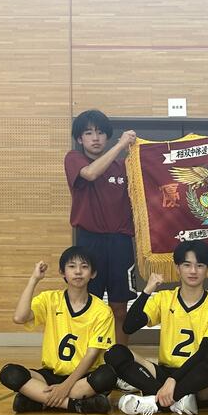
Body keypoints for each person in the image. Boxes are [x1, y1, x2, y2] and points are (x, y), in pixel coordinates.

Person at [104, 240, 208, 415]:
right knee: (115, 352)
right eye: (187, 265)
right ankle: (176, 401)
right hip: (165, 374)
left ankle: (155, 401)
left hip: (197, 378)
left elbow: (205, 351)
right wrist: (147, 291)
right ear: (177, 268)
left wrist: (174, 380)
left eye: (200, 265)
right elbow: (128, 326)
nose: (193, 271)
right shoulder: (164, 298)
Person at [0, 246, 116, 414]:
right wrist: (34, 279)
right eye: (72, 266)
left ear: (93, 273)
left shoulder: (102, 311)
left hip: (83, 377)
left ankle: (39, 400)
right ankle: (75, 405)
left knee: (108, 375)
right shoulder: (49, 299)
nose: (78, 272)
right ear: (62, 272)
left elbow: (92, 355)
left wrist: (65, 387)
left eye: (84, 267)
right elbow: (19, 318)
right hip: (50, 375)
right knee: (9, 373)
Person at [64, 109, 137, 345]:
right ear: (79, 138)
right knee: (88, 304)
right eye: (88, 133)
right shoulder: (74, 159)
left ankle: (120, 359)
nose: (95, 138)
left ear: (107, 136)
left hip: (120, 242)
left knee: (120, 308)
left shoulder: (124, 166)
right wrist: (121, 145)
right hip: (89, 242)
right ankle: (87, 358)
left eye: (100, 133)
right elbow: (91, 173)